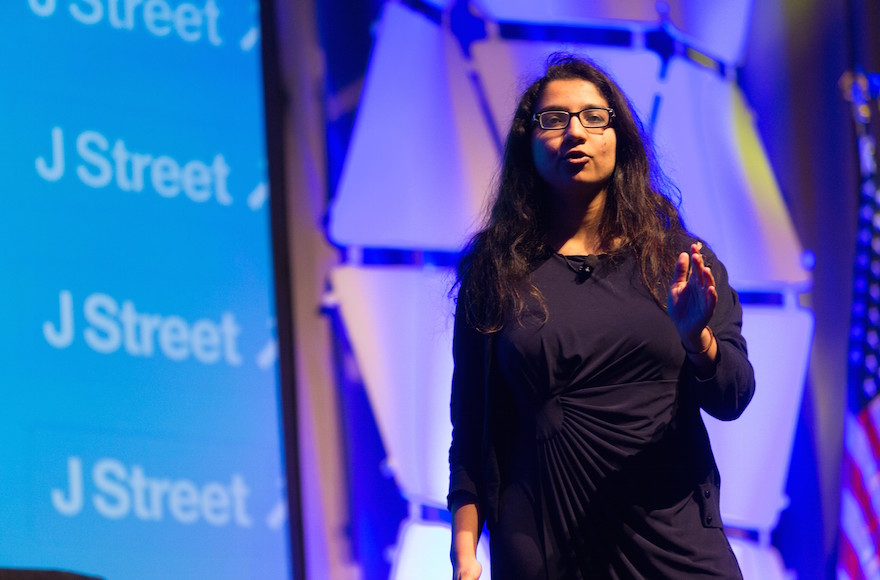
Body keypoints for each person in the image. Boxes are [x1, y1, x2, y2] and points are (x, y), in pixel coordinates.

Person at [447, 53, 756, 579]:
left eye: (593, 117)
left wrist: (696, 338)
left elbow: (732, 396)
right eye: (554, 119)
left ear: (620, 137)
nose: (575, 133)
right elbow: (473, 429)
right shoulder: (494, 269)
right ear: (529, 141)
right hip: (544, 544)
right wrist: (463, 553)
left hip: (674, 543)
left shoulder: (679, 262)